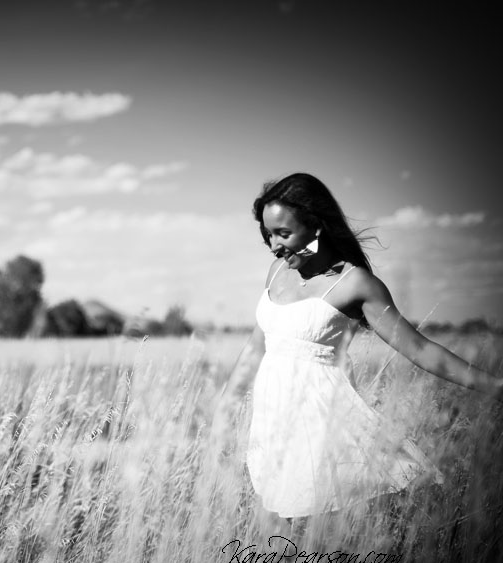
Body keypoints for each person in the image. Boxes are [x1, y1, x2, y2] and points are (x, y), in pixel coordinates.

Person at [212, 172, 503, 520]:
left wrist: (494, 386)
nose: (274, 245)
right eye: (268, 235)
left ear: (315, 226)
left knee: (320, 526)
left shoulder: (355, 284)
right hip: (272, 422)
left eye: (283, 233)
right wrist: (223, 412)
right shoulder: (277, 271)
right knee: (284, 526)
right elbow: (256, 348)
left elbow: (419, 349)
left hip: (323, 426)